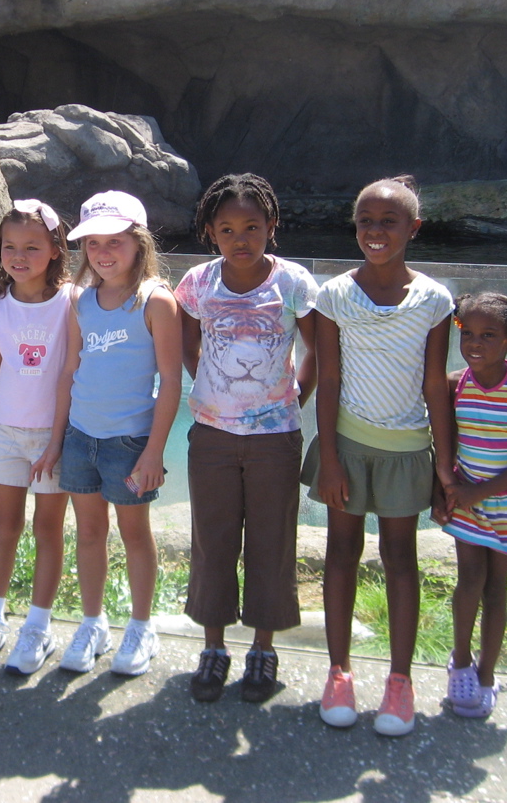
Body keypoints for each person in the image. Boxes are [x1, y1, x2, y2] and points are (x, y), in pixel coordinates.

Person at [300, 175, 454, 736]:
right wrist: (330, 458)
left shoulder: (434, 300)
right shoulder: (334, 295)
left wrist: (444, 467)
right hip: (347, 444)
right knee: (341, 552)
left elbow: (434, 386)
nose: (375, 231)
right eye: (365, 220)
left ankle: (400, 681)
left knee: (400, 557)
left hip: (407, 449)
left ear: (414, 228)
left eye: (389, 221)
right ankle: (339, 672)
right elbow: (329, 379)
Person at [175, 174, 318, 703]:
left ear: (271, 225)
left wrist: (294, 397)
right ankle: (213, 648)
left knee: (271, 542)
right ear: (211, 231)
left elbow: (316, 349)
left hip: (275, 438)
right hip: (212, 435)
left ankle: (263, 648)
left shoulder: (294, 282)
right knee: (212, 541)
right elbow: (187, 342)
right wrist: (212, 387)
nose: (241, 239)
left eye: (252, 227)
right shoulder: (198, 282)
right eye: (228, 229)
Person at [41, 191, 182, 677]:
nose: (103, 252)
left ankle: (141, 627)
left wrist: (154, 453)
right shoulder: (81, 301)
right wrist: (57, 441)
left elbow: (171, 382)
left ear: (139, 242)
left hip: (129, 444)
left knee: (135, 534)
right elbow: (69, 372)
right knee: (89, 533)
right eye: (93, 242)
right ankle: (93, 622)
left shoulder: (156, 301)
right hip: (82, 439)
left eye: (115, 241)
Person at [0, 200, 75, 674]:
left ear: (55, 249)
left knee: (47, 528)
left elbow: (71, 372)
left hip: (54, 434)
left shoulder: (72, 301)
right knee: (5, 526)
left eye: (32, 247)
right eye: (9, 246)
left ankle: (37, 627)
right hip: (7, 431)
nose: (19, 256)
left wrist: (57, 440)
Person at [435, 291, 507, 719]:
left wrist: (480, 492)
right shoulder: (453, 384)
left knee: (496, 589)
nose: (475, 343)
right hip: (465, 500)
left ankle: (486, 673)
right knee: (470, 579)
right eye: (467, 334)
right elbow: (442, 443)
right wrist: (441, 492)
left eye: (489, 335)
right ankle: (460, 662)